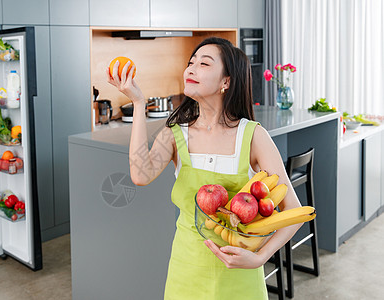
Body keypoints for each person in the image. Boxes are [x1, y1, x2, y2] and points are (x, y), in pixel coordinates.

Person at [107, 37, 303, 300]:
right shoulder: (175, 133)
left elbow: (293, 211)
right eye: (191, 62)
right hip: (186, 269)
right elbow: (140, 175)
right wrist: (139, 103)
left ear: (226, 81)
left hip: (239, 275)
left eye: (204, 63)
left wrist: (260, 257)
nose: (191, 68)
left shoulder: (253, 136)